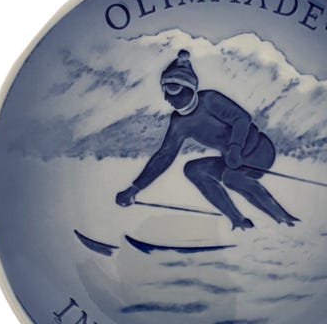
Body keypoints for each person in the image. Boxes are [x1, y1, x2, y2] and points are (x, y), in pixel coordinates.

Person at [116, 49, 298, 230]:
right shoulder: (179, 122)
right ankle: (238, 221)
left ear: (189, 88)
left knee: (231, 177)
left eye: (173, 89)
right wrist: (135, 188)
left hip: (258, 151)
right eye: (165, 90)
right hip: (232, 161)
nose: (167, 97)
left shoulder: (210, 100)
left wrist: (235, 148)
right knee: (193, 169)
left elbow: (241, 119)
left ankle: (284, 219)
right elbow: (165, 155)